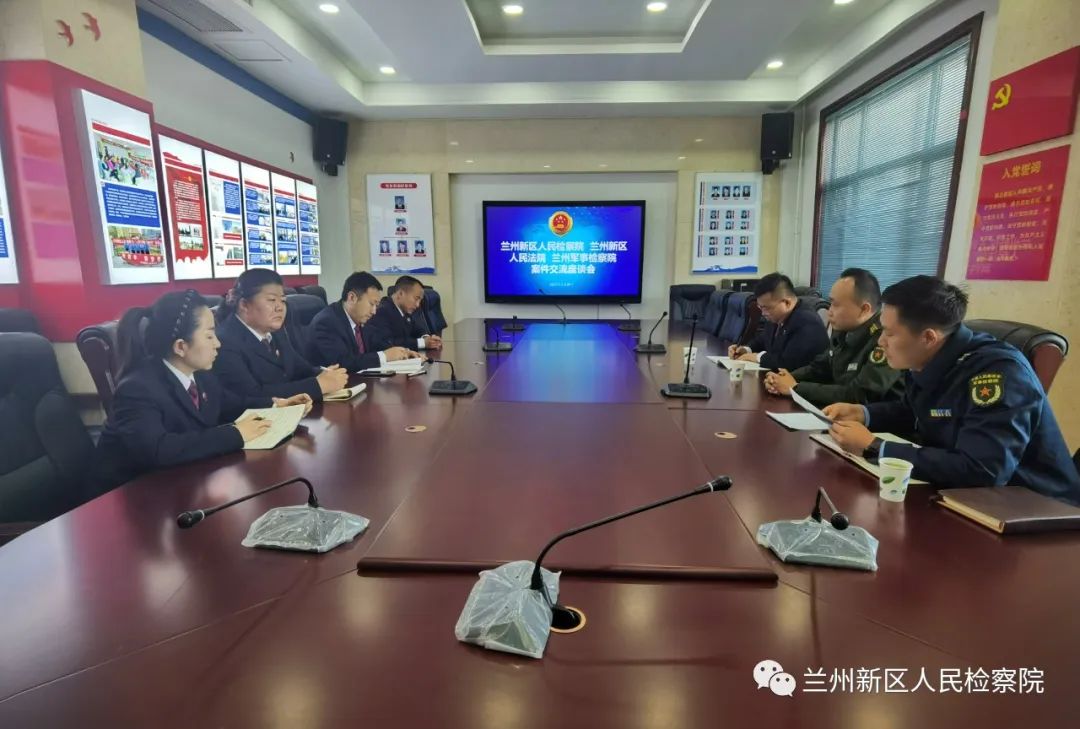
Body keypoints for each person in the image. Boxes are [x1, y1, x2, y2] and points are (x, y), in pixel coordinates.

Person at [823, 275, 1080, 505]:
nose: (880, 341)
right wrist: (864, 413)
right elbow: (915, 412)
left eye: (889, 334)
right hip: (964, 497)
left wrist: (875, 447)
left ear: (928, 337)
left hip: (1036, 510)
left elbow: (982, 470)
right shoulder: (929, 357)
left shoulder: (998, 374)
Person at [95, 290, 312, 490]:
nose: (218, 343)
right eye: (209, 336)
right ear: (181, 346)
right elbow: (159, 449)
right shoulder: (137, 388)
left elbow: (228, 403)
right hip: (132, 494)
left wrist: (276, 404)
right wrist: (235, 433)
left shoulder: (200, 373)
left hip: (181, 481)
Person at [765, 268, 903, 406]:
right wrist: (783, 379)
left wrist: (796, 388)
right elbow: (820, 367)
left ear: (864, 309)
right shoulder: (844, 330)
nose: (829, 311)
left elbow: (860, 394)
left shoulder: (885, 340)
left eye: (835, 305)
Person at [213, 268, 348, 401]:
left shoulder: (276, 331)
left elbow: (300, 369)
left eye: (283, 300)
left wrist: (325, 374)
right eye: (272, 300)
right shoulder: (224, 342)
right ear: (244, 305)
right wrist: (317, 385)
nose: (280, 307)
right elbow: (252, 395)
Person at [308, 271, 420, 372]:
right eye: (371, 304)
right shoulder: (327, 322)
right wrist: (384, 356)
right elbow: (343, 363)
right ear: (352, 298)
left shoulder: (360, 320)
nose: (374, 311)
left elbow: (377, 343)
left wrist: (402, 352)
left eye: (376, 305)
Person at [729, 272, 828, 371]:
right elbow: (763, 340)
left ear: (787, 303)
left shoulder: (807, 322)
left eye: (766, 308)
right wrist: (746, 350)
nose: (763, 313)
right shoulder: (777, 317)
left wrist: (757, 357)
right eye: (760, 307)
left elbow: (789, 362)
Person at [365, 275, 442, 351]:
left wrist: (426, 338)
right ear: (400, 294)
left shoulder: (404, 310)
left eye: (420, 301)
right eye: (416, 299)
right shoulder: (381, 311)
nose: (418, 305)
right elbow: (388, 343)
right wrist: (422, 343)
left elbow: (417, 329)